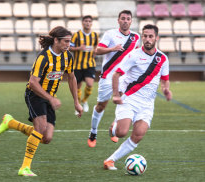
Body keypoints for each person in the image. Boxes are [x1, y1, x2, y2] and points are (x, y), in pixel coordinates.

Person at [0, 26, 83, 177]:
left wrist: (76, 102)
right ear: (56, 40)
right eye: (66, 41)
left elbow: (72, 77)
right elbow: (33, 83)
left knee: (46, 138)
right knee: (40, 128)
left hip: (49, 97)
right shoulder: (44, 57)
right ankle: (25, 168)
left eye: (70, 42)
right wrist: (51, 98)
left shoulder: (68, 56)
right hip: (35, 94)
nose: (69, 45)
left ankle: (11, 123)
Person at [103, 24, 172, 170]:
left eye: (150, 36)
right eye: (145, 36)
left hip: (147, 104)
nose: (147, 39)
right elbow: (116, 74)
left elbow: (165, 79)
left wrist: (166, 90)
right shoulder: (133, 55)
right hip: (129, 99)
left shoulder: (163, 59)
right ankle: (113, 128)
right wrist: (116, 95)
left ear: (156, 38)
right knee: (121, 132)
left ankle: (110, 160)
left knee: (139, 134)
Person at [87, 10, 140, 148]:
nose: (125, 21)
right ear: (118, 20)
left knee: (124, 103)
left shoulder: (136, 37)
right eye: (123, 18)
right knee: (101, 106)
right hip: (108, 76)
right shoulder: (110, 34)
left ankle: (114, 128)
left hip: (125, 78)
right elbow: (97, 50)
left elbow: (137, 55)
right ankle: (93, 132)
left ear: (131, 21)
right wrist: (113, 49)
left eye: (128, 19)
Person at [69, 15, 99, 114]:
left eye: (89, 21)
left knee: (90, 84)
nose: (87, 23)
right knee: (77, 87)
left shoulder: (95, 35)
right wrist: (78, 48)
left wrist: (95, 51)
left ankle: (84, 101)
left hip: (90, 64)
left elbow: (96, 47)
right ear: (82, 22)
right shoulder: (77, 35)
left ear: (91, 23)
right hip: (77, 65)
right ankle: (77, 105)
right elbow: (69, 48)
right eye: (86, 21)